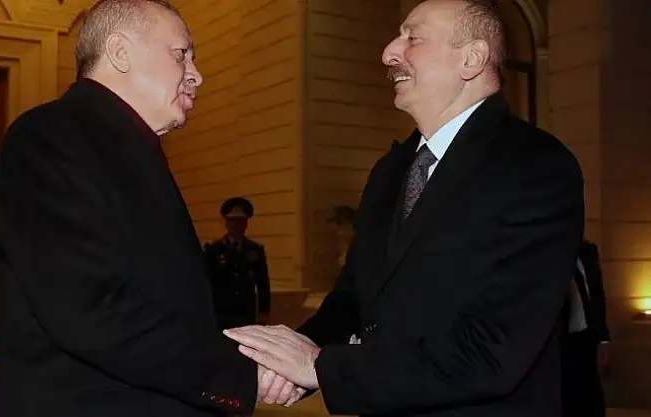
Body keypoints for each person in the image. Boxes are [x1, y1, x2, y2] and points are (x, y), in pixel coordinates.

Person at [223, 1, 586, 416]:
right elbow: (353, 300)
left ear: (471, 58)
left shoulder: (535, 166)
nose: (389, 53)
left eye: (412, 38)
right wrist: (291, 356)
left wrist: (319, 366)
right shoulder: (391, 170)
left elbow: (491, 351)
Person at [0, 1, 292, 415]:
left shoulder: (127, 148)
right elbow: (92, 309)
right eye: (181, 54)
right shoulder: (50, 137)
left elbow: (163, 299)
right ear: (120, 53)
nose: (197, 75)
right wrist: (240, 374)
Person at [205, 197, 271, 330]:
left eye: (240, 221)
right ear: (226, 223)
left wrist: (263, 312)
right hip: (221, 312)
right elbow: (206, 282)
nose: (236, 224)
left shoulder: (255, 250)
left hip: (246, 312)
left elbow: (263, 283)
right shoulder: (214, 250)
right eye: (232, 220)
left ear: (246, 224)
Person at [561, 238, 610, 417]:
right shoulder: (546, 251)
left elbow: (597, 295)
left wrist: (603, 339)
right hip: (560, 343)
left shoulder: (587, 250)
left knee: (592, 402)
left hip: (586, 338)